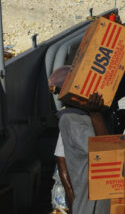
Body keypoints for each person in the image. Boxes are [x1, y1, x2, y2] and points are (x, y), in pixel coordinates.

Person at [49, 66, 110, 214]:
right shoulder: (71, 121)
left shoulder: (74, 118)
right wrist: (95, 113)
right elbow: (105, 152)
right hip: (90, 204)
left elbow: (61, 158)